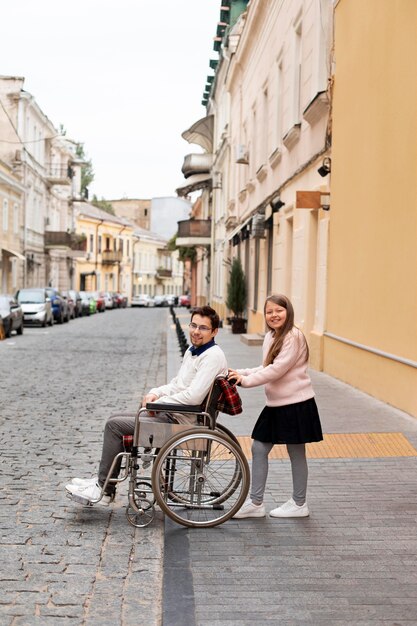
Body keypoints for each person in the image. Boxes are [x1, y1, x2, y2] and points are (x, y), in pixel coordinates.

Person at [66, 305, 227, 506]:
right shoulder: (193, 351)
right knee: (114, 418)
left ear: (214, 331)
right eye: (193, 325)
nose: (195, 331)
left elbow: (193, 397)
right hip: (174, 414)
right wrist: (156, 392)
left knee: (114, 426)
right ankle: (103, 480)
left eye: (203, 328)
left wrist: (159, 403)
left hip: (184, 422)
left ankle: (104, 489)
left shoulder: (212, 356)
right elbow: (178, 384)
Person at [228, 294, 323, 519]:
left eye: (278, 310)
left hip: (296, 403)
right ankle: (256, 503)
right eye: (269, 312)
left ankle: (299, 504)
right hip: (277, 404)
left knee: (296, 452)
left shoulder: (293, 336)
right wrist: (241, 372)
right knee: (259, 448)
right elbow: (265, 366)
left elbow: (277, 370)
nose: (274, 315)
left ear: (288, 311)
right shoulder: (272, 336)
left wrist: (246, 381)